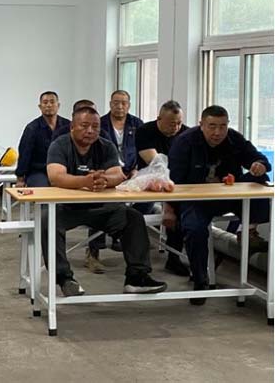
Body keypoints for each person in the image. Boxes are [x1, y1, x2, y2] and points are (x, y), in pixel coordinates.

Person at [46, 106, 167, 296]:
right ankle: (64, 278)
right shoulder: (59, 145)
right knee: (47, 221)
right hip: (67, 209)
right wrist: (85, 181)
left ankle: (137, 277)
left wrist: (104, 180)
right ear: (72, 126)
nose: (90, 131)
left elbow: (117, 175)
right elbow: (56, 177)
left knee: (133, 218)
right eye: (84, 125)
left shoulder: (106, 146)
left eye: (95, 126)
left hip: (102, 208)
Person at [169, 105, 271, 305]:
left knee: (261, 180)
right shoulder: (184, 142)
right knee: (195, 229)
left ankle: (249, 230)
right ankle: (200, 280)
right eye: (212, 126)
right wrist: (170, 209)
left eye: (222, 126)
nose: (217, 132)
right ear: (201, 125)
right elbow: (174, 183)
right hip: (196, 200)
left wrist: (259, 165)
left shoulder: (234, 139)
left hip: (230, 195)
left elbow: (260, 159)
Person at [86, 90, 144, 268]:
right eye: (116, 102)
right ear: (110, 104)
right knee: (99, 207)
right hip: (106, 173)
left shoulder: (137, 124)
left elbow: (143, 150)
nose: (120, 106)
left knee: (140, 207)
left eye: (124, 103)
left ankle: (123, 239)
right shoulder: (100, 123)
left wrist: (136, 170)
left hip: (131, 173)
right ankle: (94, 251)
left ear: (129, 105)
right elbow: (93, 151)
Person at [135, 100, 189, 276]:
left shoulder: (186, 134)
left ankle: (174, 258)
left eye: (179, 123)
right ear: (159, 119)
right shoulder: (145, 131)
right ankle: (136, 256)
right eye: (171, 123)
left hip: (176, 182)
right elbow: (155, 162)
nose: (176, 127)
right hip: (147, 180)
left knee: (179, 213)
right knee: (137, 215)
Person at [15, 91, 70, 188]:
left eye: (52, 102)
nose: (49, 105)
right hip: (39, 172)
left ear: (58, 105)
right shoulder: (32, 128)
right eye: (45, 102)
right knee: (43, 190)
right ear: (40, 107)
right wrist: (20, 178)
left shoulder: (68, 126)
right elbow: (25, 154)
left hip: (62, 170)